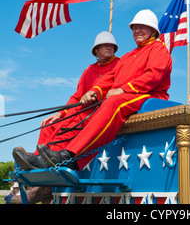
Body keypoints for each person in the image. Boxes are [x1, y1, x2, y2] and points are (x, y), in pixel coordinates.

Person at [13, 10, 172, 173]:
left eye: (143, 27)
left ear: (153, 31)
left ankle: (70, 156)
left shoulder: (158, 49)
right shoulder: (128, 56)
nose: (137, 30)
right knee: (81, 114)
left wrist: (123, 89)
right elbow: (110, 78)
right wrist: (94, 91)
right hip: (126, 96)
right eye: (134, 27)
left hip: (148, 96)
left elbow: (153, 76)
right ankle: (46, 158)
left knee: (113, 103)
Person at [12, 31, 119, 203]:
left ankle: (43, 180)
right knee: (49, 124)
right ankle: (38, 164)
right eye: (104, 45)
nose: (109, 48)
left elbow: (111, 84)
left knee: (71, 125)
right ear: (96, 50)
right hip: (80, 109)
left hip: (98, 110)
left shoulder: (119, 64)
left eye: (111, 45)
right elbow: (76, 96)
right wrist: (60, 113)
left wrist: (94, 93)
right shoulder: (88, 70)